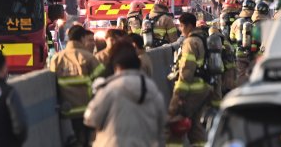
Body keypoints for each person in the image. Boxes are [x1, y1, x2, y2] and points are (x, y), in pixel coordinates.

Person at [84, 41, 166, 147]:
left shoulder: (109, 89)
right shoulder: (152, 89)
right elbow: (161, 125)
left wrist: (96, 94)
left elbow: (90, 119)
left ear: (116, 65)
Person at [50, 25, 104, 147]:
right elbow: (101, 80)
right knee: (87, 140)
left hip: (67, 109)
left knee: (77, 138)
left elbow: (51, 80)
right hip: (86, 108)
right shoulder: (88, 57)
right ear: (83, 37)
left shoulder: (56, 59)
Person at [167, 13, 211, 147]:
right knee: (195, 127)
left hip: (192, 88)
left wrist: (179, 93)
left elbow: (187, 69)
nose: (181, 29)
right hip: (204, 87)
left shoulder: (190, 42)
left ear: (189, 26)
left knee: (174, 123)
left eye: (181, 26)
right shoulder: (203, 38)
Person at [229, 0, 255, 86]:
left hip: (239, 53)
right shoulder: (253, 22)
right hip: (252, 52)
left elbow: (231, 38)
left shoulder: (235, 23)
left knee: (241, 75)